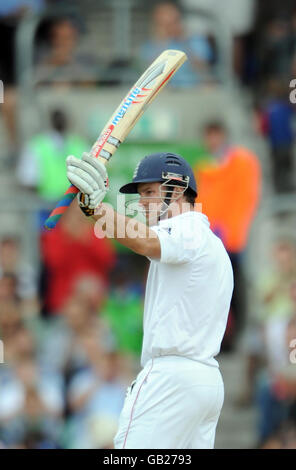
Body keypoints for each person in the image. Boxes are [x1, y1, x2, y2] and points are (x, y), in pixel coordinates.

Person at [66, 150, 234, 449]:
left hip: (171, 379)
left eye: (148, 192)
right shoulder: (209, 241)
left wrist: (95, 208)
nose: (141, 203)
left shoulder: (186, 228)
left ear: (177, 189)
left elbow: (144, 241)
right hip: (205, 380)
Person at [138, 2, 214, 87]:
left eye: (173, 21)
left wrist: (184, 41)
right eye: (164, 24)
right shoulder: (149, 46)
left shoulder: (197, 41)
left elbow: (204, 70)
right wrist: (161, 42)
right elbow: (150, 78)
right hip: (165, 94)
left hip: (194, 91)